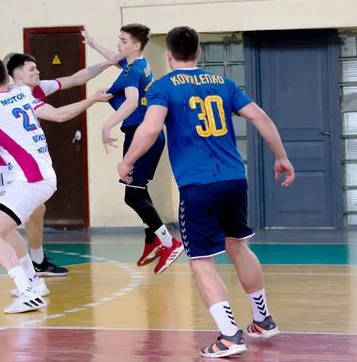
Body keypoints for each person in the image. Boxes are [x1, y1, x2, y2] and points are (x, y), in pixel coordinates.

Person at [118, 26, 294, 358]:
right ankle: (263, 320)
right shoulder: (223, 84)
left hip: (198, 185)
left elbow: (152, 127)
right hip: (233, 179)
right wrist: (281, 156)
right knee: (237, 246)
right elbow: (260, 117)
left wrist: (128, 160)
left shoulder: (162, 87)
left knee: (201, 260)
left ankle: (229, 336)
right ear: (199, 52)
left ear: (168, 54)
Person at [0, 58, 111, 313]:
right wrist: (91, 99)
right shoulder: (23, 93)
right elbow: (59, 114)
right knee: (3, 230)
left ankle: (26, 292)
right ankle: (33, 283)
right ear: (8, 78)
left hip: (29, 180)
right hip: (41, 176)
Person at [83, 25, 183, 273]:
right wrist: (94, 44)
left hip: (141, 135)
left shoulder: (133, 70)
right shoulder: (138, 64)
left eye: (123, 40)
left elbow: (131, 101)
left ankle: (169, 243)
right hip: (145, 135)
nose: (118, 44)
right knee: (139, 191)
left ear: (135, 45)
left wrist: (107, 125)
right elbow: (116, 60)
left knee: (132, 196)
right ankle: (152, 242)